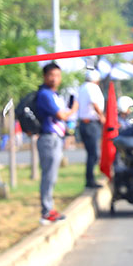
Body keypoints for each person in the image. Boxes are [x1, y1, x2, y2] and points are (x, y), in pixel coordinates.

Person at [35, 62, 77, 225]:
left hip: (55, 138)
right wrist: (74, 109)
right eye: (51, 75)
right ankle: (46, 211)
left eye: (57, 75)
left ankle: (49, 209)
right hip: (48, 138)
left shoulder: (54, 94)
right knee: (48, 176)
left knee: (52, 177)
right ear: (45, 77)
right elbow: (62, 115)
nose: (55, 79)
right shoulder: (45, 94)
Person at [77, 69, 105, 188]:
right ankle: (90, 180)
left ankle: (90, 179)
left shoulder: (83, 87)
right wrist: (102, 116)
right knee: (93, 154)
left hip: (84, 123)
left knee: (91, 154)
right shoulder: (92, 88)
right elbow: (95, 103)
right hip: (91, 124)